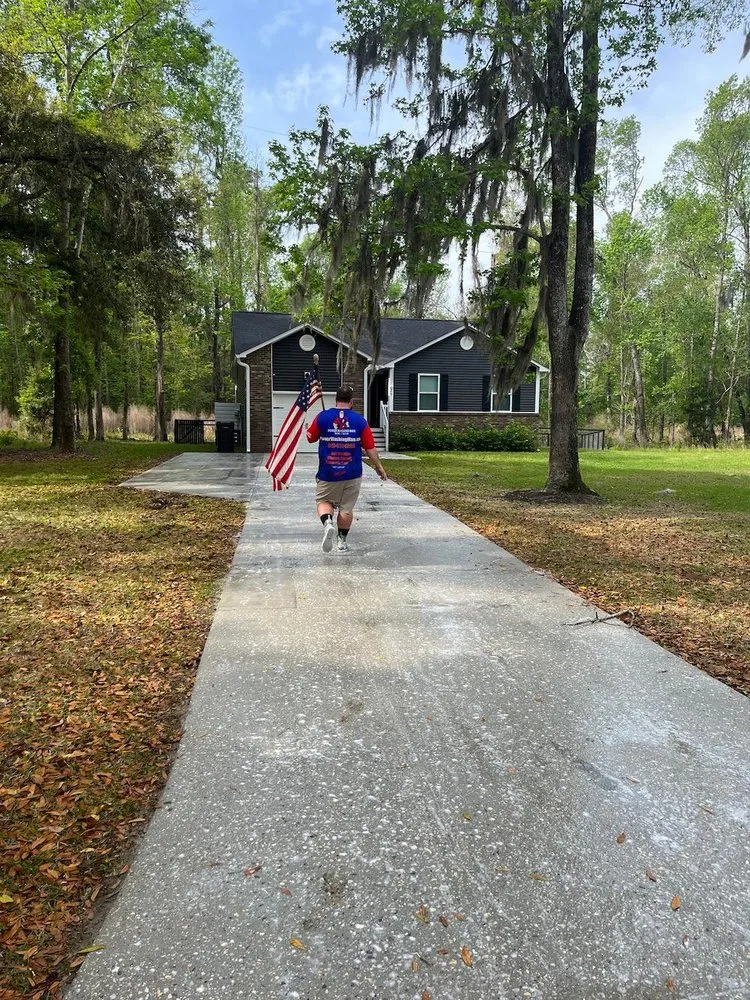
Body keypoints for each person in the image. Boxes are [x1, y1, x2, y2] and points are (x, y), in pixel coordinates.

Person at [306, 385, 387, 553]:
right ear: (351, 402)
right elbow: (370, 447)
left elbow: (310, 438)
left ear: (336, 400)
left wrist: (321, 429)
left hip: (328, 472)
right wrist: (379, 467)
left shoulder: (323, 417)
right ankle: (341, 542)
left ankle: (328, 522)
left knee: (323, 501)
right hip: (352, 472)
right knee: (346, 508)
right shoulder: (360, 420)